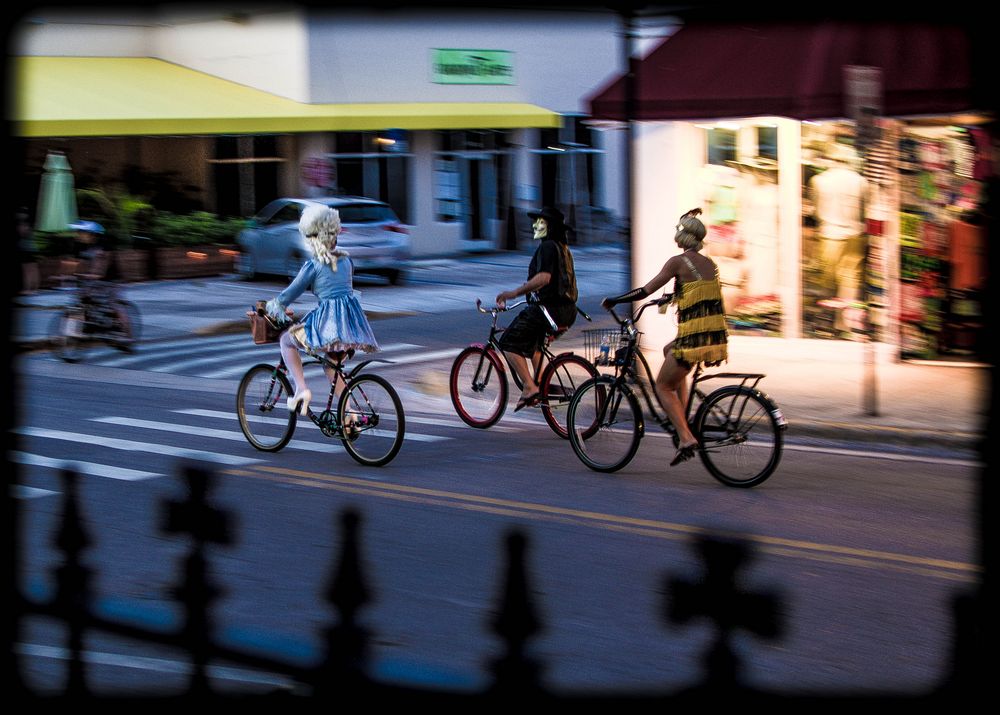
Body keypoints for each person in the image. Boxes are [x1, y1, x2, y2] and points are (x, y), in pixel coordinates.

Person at [601, 208, 728, 466]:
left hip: (692, 339)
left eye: (678, 229)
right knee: (669, 350)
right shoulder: (710, 264)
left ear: (685, 235)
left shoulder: (677, 262)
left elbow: (644, 290)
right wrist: (671, 297)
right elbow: (697, 292)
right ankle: (682, 416)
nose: (676, 233)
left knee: (661, 386)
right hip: (712, 337)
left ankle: (685, 437)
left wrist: (615, 299)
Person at [265, 204, 380, 418]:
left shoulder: (313, 266)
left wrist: (274, 307)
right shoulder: (347, 261)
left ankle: (301, 389)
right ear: (334, 232)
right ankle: (350, 413)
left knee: (286, 341)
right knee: (331, 368)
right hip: (351, 326)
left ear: (313, 238)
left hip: (328, 325)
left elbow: (289, 295)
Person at [495, 206, 578, 411]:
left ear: (550, 227)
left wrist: (514, 293)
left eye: (541, 222)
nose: (535, 225)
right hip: (567, 311)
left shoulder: (548, 246)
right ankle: (541, 383)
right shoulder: (563, 248)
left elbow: (544, 278)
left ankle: (530, 387)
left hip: (550, 310)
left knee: (508, 342)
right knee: (534, 344)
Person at [18, 207, 40, 295]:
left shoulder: (25, 223)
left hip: (26, 248)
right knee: (33, 269)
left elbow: (22, 232)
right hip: (32, 248)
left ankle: (28, 289)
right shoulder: (30, 223)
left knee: (27, 270)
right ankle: (34, 289)